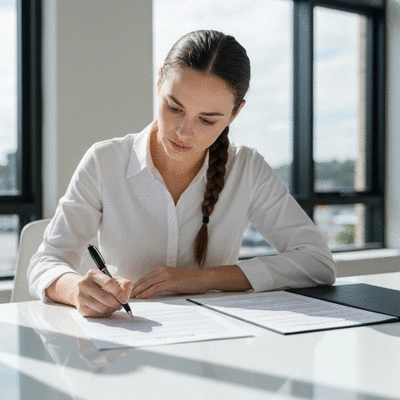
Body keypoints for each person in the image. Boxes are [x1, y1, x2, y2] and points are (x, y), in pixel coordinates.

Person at [28, 30, 336, 318]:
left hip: (220, 342)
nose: (183, 132)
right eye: (174, 108)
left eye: (207, 120)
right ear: (159, 81)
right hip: (128, 339)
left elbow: (317, 263)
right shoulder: (105, 161)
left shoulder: (246, 167)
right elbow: (46, 261)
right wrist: (75, 290)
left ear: (235, 113)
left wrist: (202, 279)